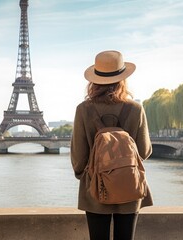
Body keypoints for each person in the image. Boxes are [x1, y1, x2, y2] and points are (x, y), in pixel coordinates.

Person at [71, 50, 153, 240]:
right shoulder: (135, 109)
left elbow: (78, 156)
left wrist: (89, 176)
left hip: (94, 189)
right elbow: (144, 151)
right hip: (129, 187)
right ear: (123, 79)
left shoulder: (83, 110)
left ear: (94, 80)